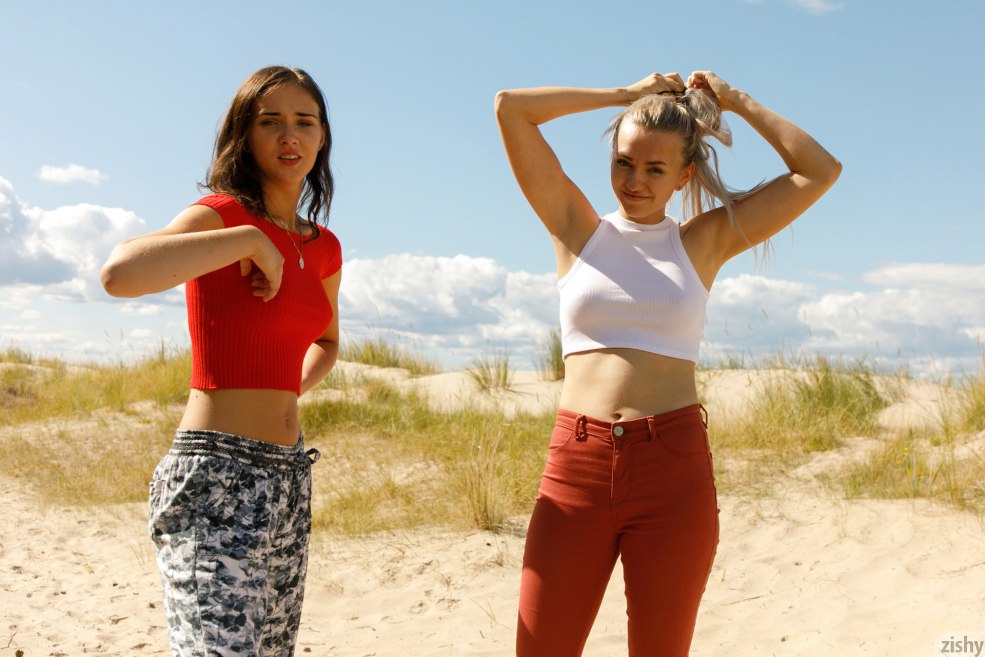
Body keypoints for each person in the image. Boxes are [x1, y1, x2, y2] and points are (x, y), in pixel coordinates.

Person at [495, 71, 841, 657]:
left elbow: (818, 171)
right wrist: (621, 97)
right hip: (577, 466)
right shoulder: (578, 229)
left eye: (656, 170)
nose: (635, 181)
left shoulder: (701, 242)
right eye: (624, 163)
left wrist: (737, 101)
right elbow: (510, 110)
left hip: (672, 469)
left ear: (684, 176)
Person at [100, 65, 342, 657]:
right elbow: (120, 273)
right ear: (245, 135)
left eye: (304, 122)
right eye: (271, 122)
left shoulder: (325, 247)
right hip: (215, 475)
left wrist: (283, 396)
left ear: (321, 140)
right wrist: (248, 240)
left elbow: (327, 344)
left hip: (288, 477)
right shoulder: (220, 215)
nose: (290, 136)